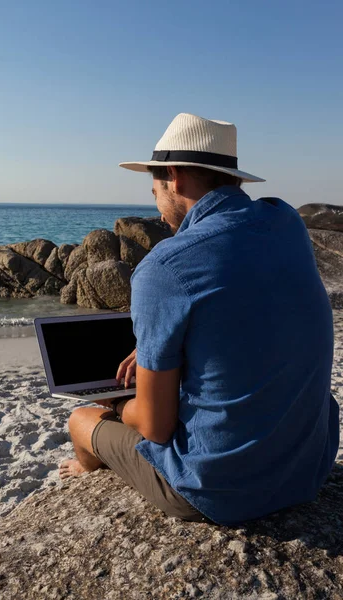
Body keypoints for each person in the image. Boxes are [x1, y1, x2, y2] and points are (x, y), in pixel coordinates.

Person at [59, 113, 339, 525]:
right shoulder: (287, 223)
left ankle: (87, 468)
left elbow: (156, 427)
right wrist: (163, 346)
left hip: (220, 491)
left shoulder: (165, 267)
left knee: (80, 418)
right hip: (306, 467)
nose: (154, 202)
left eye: (153, 187)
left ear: (173, 176)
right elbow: (245, 310)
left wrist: (119, 405)